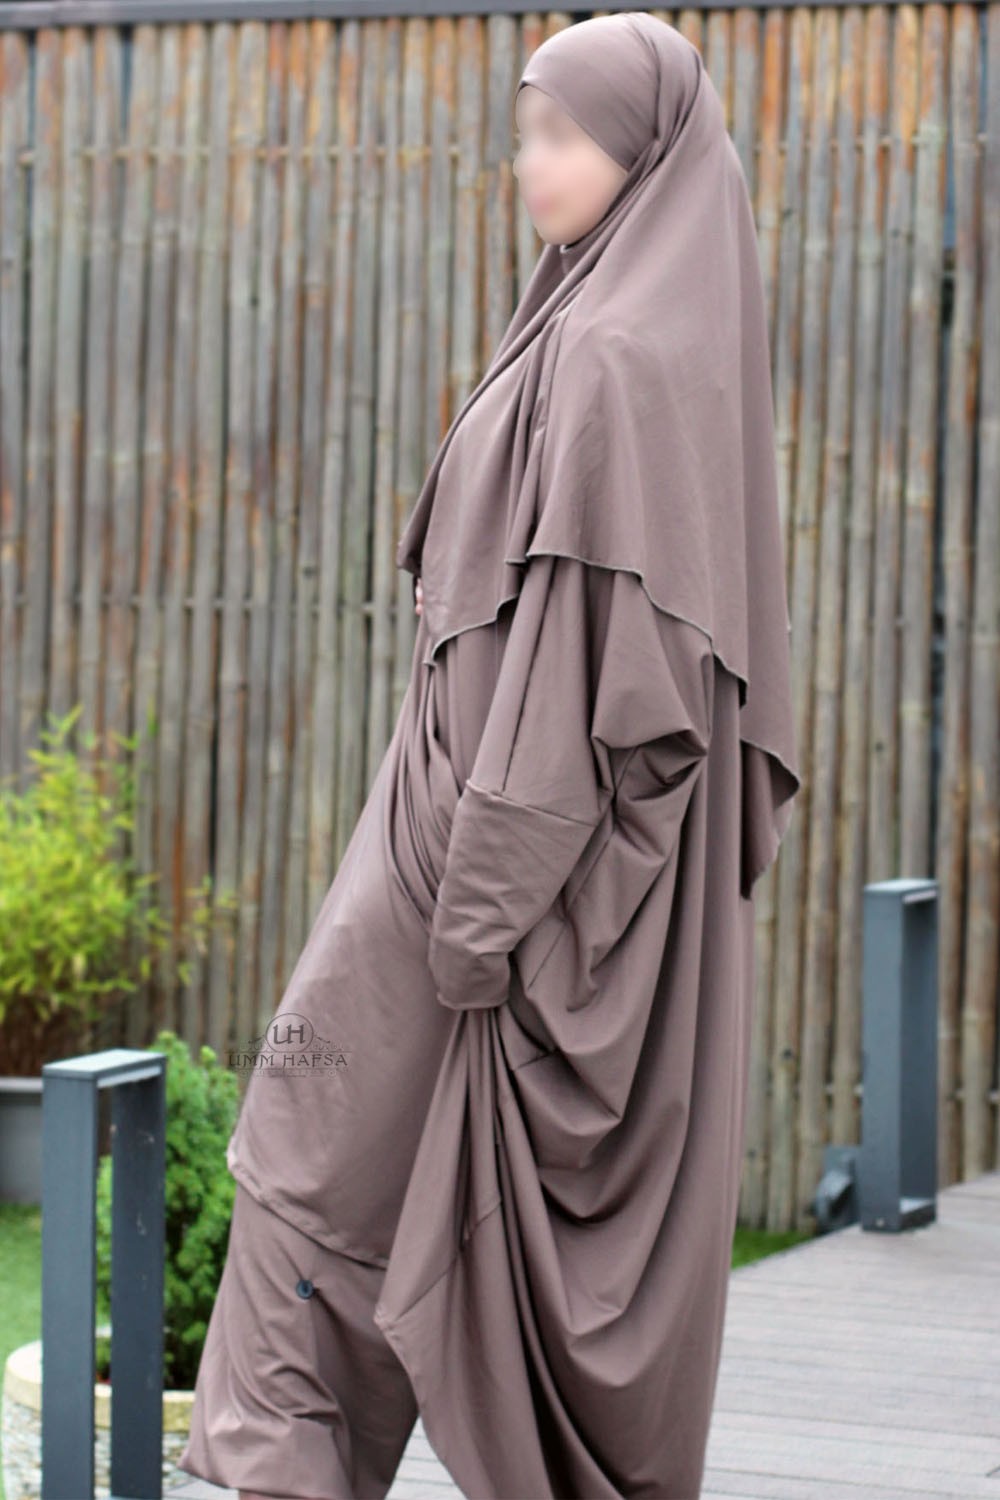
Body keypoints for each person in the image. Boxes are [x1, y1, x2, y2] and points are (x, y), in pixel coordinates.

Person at [178, 12, 800, 1500]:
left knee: (304, 1169)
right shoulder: (608, 331)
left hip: (475, 875)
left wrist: (475, 927)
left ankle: (286, 1469)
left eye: (563, 136)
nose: (530, 163)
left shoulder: (610, 360)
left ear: (645, 154)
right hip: (462, 851)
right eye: (526, 133)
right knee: (328, 1180)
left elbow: (594, 691)